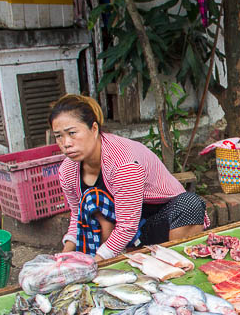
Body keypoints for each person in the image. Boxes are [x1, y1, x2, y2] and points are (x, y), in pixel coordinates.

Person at [49, 94, 209, 262]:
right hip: (123, 225)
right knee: (91, 201)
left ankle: (168, 260)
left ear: (94, 129)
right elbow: (77, 216)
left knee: (190, 204)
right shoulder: (67, 170)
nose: (66, 143)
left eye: (72, 133)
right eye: (59, 136)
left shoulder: (123, 164)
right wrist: (63, 257)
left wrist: (95, 263)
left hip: (158, 221)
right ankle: (117, 255)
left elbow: (127, 226)